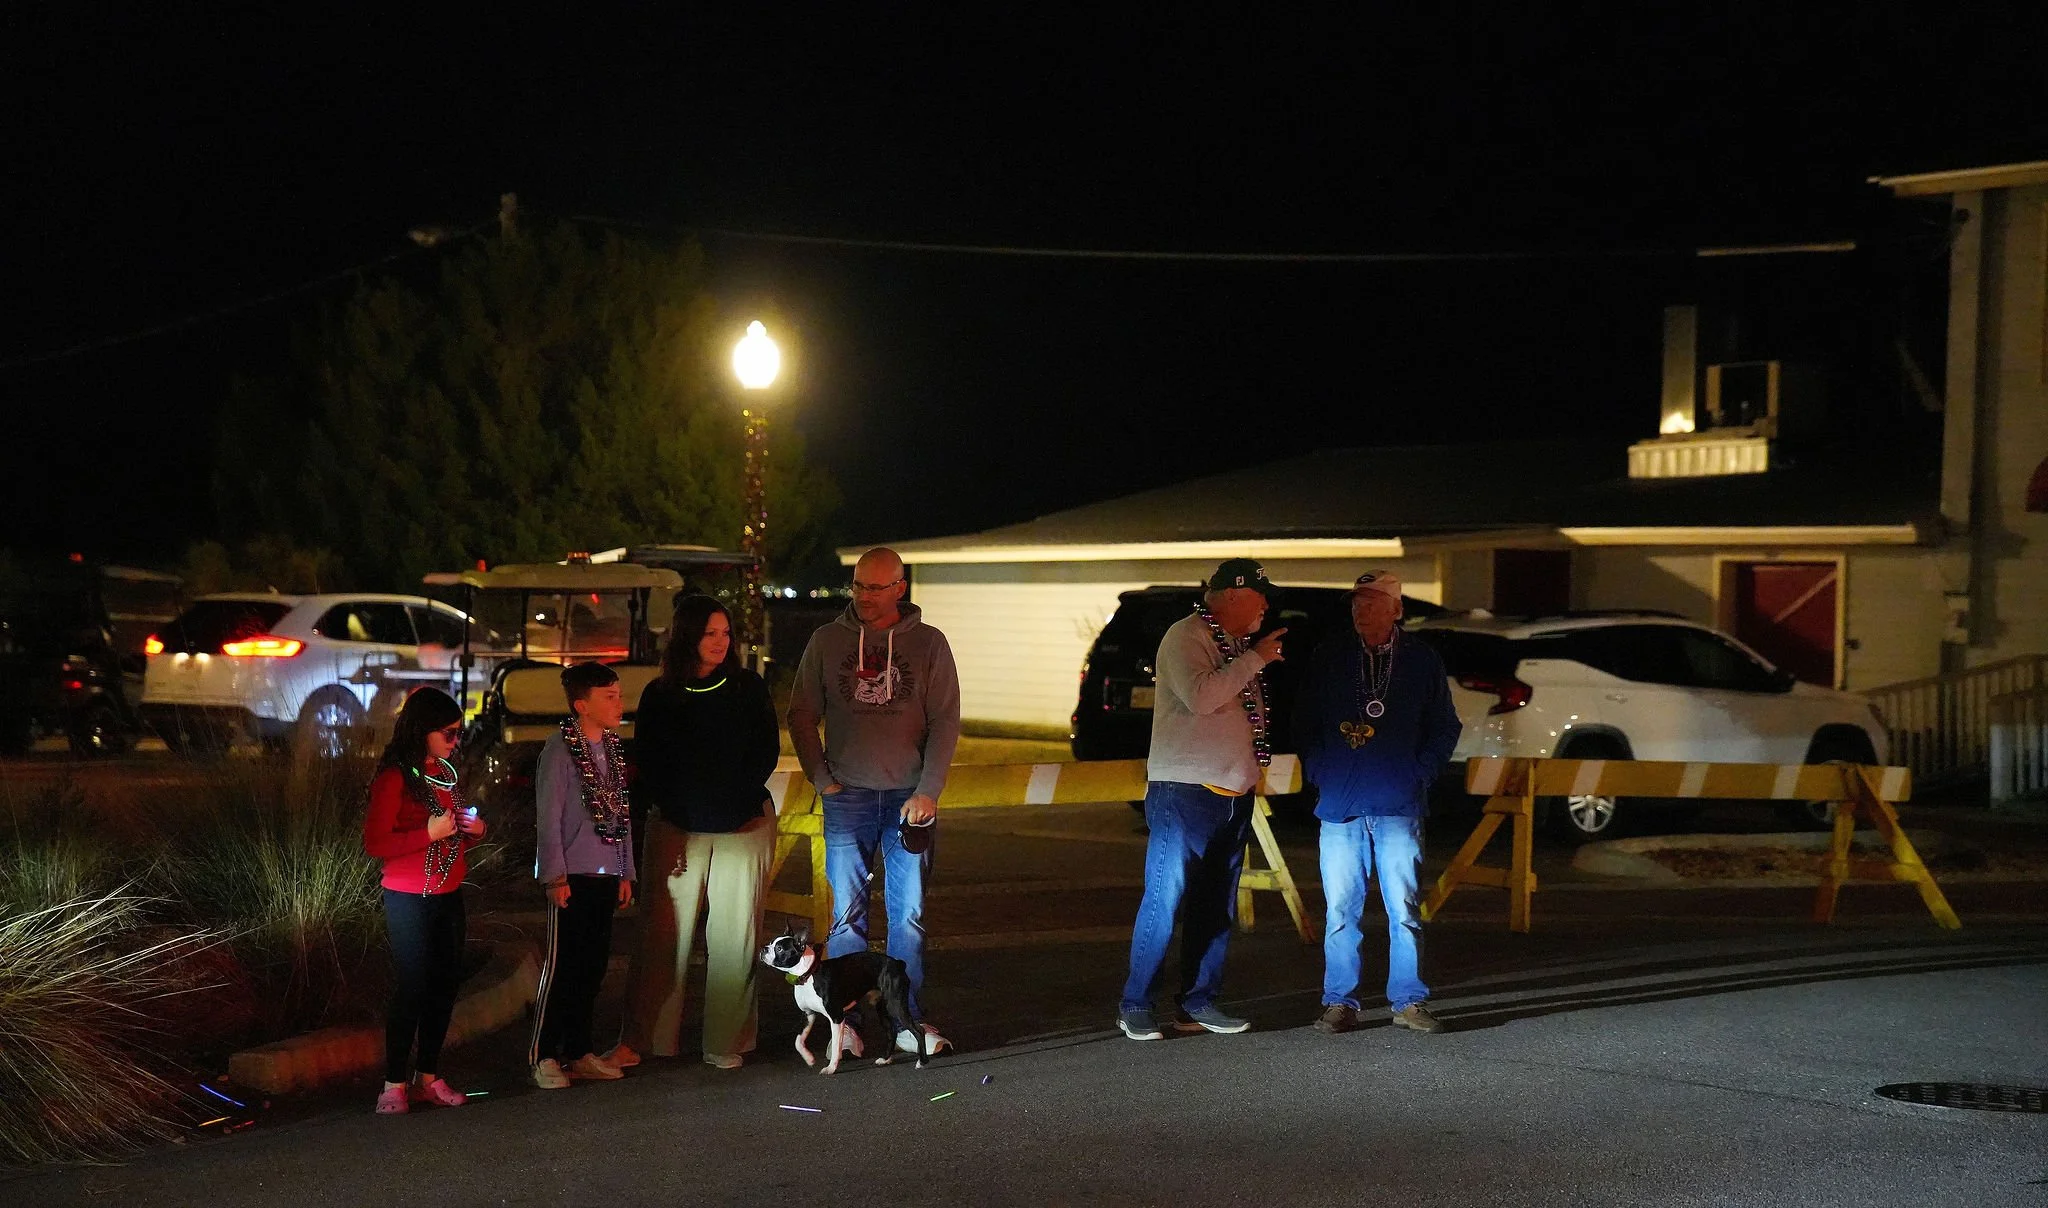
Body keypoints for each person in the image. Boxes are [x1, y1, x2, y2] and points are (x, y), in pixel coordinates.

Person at [787, 546, 961, 1051]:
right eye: (858, 585)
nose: (864, 596)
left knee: (907, 915)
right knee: (847, 917)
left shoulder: (929, 644)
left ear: (900, 589)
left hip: (909, 799)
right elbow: (800, 713)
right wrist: (821, 777)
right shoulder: (827, 641)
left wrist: (928, 789)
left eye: (875, 587)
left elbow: (946, 719)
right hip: (848, 797)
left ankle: (904, 1021)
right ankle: (849, 1025)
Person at [1118, 558, 1287, 1041]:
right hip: (1184, 793)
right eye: (1260, 596)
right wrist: (1256, 659)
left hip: (1233, 794)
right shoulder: (1186, 636)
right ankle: (1135, 1004)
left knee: (1216, 905)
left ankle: (1197, 1003)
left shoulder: (1233, 644)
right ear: (1234, 594)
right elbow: (1201, 696)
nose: (1266, 606)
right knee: (1165, 898)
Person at [618, 595, 780, 1070]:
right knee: (664, 935)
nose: (719, 642)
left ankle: (725, 1040)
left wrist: (733, 798)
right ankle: (648, 1038)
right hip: (677, 824)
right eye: (709, 632)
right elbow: (650, 759)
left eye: (725, 633)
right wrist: (680, 805)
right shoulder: (661, 693)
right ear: (687, 634)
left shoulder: (748, 687)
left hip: (743, 821)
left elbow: (764, 752)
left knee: (736, 934)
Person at [1296, 570, 1461, 1035]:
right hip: (1341, 803)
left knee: (1403, 909)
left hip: (1398, 803)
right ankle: (1339, 1001)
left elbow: (1445, 726)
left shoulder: (1421, 659)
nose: (1361, 610)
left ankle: (1408, 1001)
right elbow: (1304, 720)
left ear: (1396, 608)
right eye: (1356, 602)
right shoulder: (1330, 656)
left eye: (1371, 602)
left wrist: (1420, 772)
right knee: (1340, 910)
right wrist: (1319, 771)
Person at [361, 687, 487, 1115]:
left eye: (458, 734)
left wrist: (470, 831)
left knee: (444, 986)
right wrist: (428, 834)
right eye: (448, 733)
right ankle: (393, 1083)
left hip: (448, 895)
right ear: (422, 730)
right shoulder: (395, 777)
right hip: (408, 896)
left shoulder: (444, 773)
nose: (455, 741)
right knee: (412, 985)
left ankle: (428, 1078)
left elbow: (451, 831)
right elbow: (376, 842)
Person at [529, 661, 638, 1089]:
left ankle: (579, 1050)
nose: (619, 703)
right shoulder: (559, 750)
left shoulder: (611, 747)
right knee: (563, 966)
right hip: (571, 874)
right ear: (582, 705)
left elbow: (621, 813)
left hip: (604, 872)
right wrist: (554, 876)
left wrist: (625, 870)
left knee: (593, 967)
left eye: (619, 695)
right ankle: (543, 1055)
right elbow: (548, 817)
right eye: (608, 697)